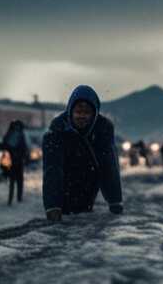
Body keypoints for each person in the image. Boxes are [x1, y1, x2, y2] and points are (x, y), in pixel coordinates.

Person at [42, 85, 123, 221]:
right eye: (78, 112)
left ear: (94, 114)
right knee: (65, 220)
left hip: (89, 179)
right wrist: (52, 206)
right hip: (65, 180)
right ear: (70, 111)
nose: (82, 116)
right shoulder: (57, 128)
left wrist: (115, 202)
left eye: (87, 112)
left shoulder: (103, 128)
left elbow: (109, 166)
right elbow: (52, 170)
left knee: (83, 218)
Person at [2, 120, 29, 206]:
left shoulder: (9, 133)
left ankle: (11, 199)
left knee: (12, 180)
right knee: (19, 180)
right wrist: (24, 156)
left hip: (12, 160)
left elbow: (4, 144)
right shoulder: (21, 135)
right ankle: (19, 198)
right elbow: (24, 147)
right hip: (18, 160)